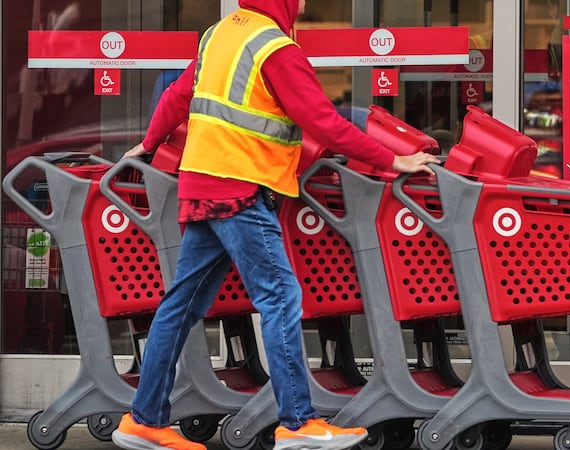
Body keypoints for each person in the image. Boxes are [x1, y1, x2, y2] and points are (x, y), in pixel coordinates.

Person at [111, 0, 439, 449]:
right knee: (280, 298)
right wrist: (392, 158)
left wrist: (147, 144)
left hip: (203, 186)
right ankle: (298, 421)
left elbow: (176, 98)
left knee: (181, 305)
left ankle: (144, 419)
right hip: (239, 190)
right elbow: (322, 121)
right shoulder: (275, 48)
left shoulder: (220, 33)